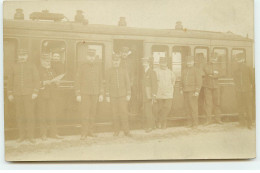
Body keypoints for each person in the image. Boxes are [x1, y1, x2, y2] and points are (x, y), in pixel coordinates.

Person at [7, 49, 40, 143]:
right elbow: (10, 81)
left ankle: (31, 136)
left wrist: (35, 92)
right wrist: (9, 93)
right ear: (18, 56)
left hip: (29, 95)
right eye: (20, 55)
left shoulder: (32, 66)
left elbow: (36, 80)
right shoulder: (14, 66)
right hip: (17, 95)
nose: (22, 57)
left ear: (27, 56)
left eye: (24, 55)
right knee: (19, 116)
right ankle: (21, 136)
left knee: (30, 116)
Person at [75, 49, 104, 140]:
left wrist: (101, 93)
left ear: (94, 57)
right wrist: (78, 93)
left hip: (95, 93)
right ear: (87, 57)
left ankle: (91, 131)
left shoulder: (98, 67)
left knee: (93, 113)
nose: (91, 58)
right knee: (85, 114)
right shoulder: (82, 66)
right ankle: (84, 133)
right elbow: (77, 80)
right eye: (90, 56)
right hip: (85, 93)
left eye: (93, 56)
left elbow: (100, 81)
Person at [38, 52, 63, 141]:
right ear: (41, 61)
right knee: (43, 115)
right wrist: (43, 83)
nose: (47, 62)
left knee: (53, 115)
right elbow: (34, 82)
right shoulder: (38, 70)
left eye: (48, 61)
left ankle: (54, 133)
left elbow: (55, 80)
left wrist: (57, 82)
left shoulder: (52, 70)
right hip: (42, 96)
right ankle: (43, 134)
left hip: (52, 96)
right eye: (45, 61)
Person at [105, 54, 132, 137]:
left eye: (117, 61)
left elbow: (127, 82)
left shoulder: (124, 70)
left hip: (122, 95)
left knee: (124, 113)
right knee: (115, 113)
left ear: (119, 62)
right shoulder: (109, 71)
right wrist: (107, 95)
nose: (115, 62)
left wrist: (128, 94)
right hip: (113, 96)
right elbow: (107, 84)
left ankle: (126, 131)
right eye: (114, 61)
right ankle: (116, 131)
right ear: (112, 61)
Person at [154, 57, 176, 129]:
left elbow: (173, 81)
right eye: (161, 63)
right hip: (159, 93)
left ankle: (161, 121)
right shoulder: (155, 71)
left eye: (164, 63)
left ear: (167, 63)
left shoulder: (170, 72)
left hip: (168, 94)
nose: (163, 65)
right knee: (159, 109)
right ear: (159, 63)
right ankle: (161, 123)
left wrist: (169, 88)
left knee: (167, 108)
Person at [180, 56, 202, 128]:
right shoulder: (184, 70)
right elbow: (181, 80)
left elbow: (199, 81)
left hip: (192, 91)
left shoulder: (196, 70)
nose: (189, 63)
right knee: (187, 107)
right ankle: (189, 123)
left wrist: (197, 91)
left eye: (190, 62)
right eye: (187, 62)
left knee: (193, 107)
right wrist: (181, 88)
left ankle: (195, 123)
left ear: (193, 62)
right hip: (185, 91)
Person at [233, 55, 253, 129]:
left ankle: (249, 123)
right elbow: (235, 79)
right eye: (238, 59)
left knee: (248, 107)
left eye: (240, 59)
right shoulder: (236, 69)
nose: (239, 61)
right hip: (239, 91)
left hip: (247, 91)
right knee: (240, 107)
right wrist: (237, 87)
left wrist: (249, 87)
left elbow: (252, 79)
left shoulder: (248, 67)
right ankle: (241, 123)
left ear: (243, 59)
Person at [203, 55, 223, 124]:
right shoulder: (206, 65)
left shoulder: (219, 66)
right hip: (208, 87)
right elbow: (207, 71)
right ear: (210, 59)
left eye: (215, 58)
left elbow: (221, 73)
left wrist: (214, 75)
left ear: (216, 59)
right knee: (208, 104)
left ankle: (218, 119)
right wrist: (214, 73)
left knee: (217, 103)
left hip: (216, 87)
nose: (213, 59)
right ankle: (208, 120)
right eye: (212, 58)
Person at [141, 57, 158, 132]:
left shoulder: (151, 72)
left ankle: (150, 127)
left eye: (146, 62)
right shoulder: (144, 71)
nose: (144, 64)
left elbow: (154, 84)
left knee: (148, 111)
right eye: (143, 62)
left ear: (148, 63)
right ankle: (153, 125)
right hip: (145, 94)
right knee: (147, 110)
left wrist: (154, 95)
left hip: (149, 95)